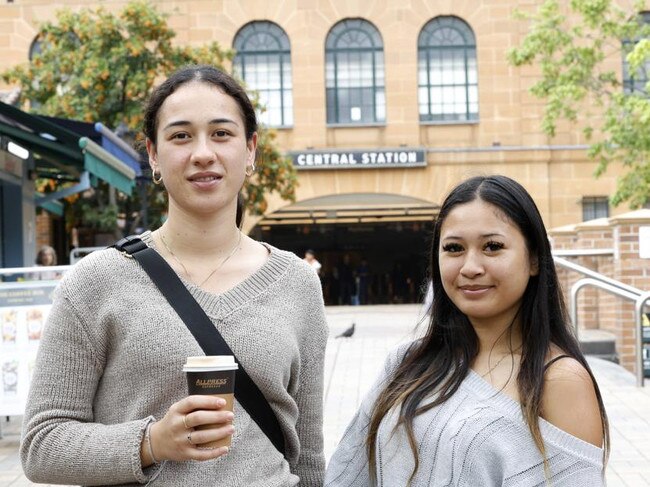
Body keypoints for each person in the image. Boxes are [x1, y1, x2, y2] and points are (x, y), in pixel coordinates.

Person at [21, 65, 328, 486]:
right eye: (181, 136)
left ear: (251, 149)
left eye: (221, 133)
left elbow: (307, 455)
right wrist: (151, 443)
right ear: (153, 154)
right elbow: (42, 446)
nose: (203, 153)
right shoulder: (94, 283)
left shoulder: (298, 283)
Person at [325, 175, 609, 486]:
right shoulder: (406, 363)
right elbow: (348, 471)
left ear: (534, 260)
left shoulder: (558, 380)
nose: (470, 267)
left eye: (492, 246)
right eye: (454, 248)